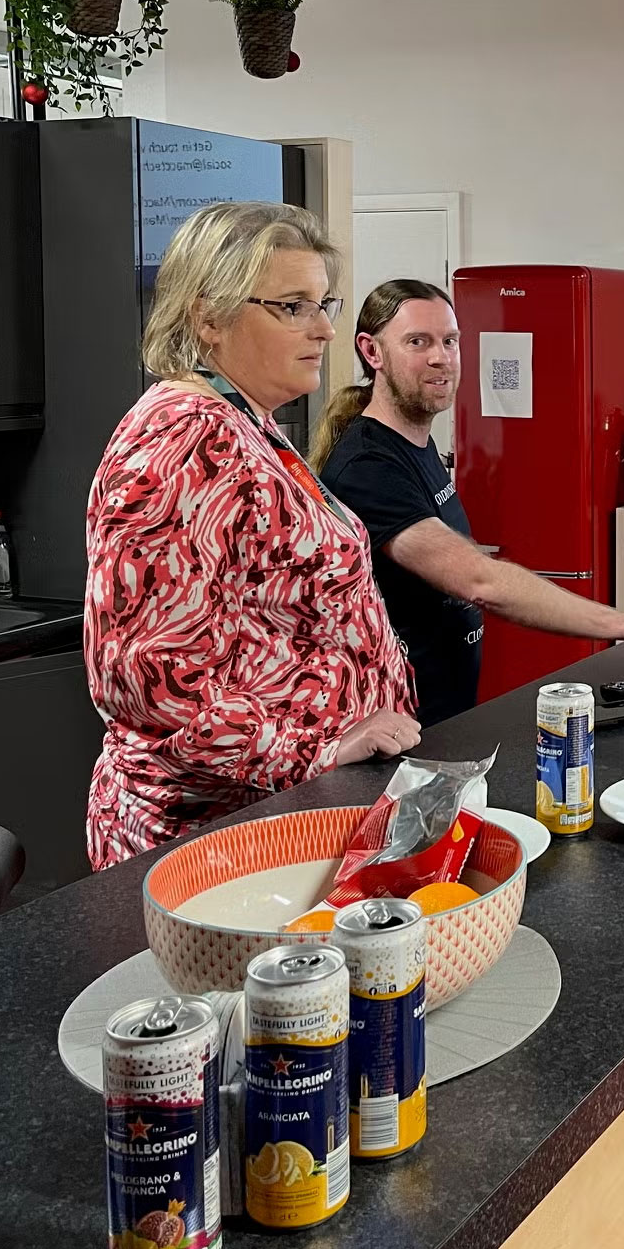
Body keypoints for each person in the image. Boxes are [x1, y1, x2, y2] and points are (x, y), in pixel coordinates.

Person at [85, 204, 421, 869]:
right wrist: (314, 750)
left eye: (324, 303)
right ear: (209, 318)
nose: (325, 329)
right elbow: (147, 678)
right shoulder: (181, 440)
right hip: (214, 844)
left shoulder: (244, 420)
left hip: (280, 815)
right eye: (292, 307)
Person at [313, 279, 624, 725]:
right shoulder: (369, 466)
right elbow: (479, 581)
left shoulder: (414, 445)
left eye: (450, 341)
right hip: (400, 725)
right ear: (372, 353)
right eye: (417, 342)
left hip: (446, 710)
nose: (440, 357)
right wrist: (622, 623)